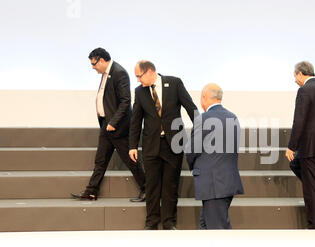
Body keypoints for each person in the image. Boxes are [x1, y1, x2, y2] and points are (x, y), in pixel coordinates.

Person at [129, 60, 197, 230]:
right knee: (152, 186)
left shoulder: (174, 83)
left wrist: (203, 131)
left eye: (139, 76)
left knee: (170, 185)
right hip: (151, 145)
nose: (138, 80)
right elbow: (135, 120)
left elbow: (191, 108)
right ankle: (151, 222)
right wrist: (132, 145)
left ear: (150, 71)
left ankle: (169, 222)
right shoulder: (140, 92)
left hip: (173, 143)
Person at [71, 48, 146, 201]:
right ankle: (91, 191)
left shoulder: (119, 73)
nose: (92, 67)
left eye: (94, 64)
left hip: (117, 127)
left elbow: (125, 101)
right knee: (100, 160)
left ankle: (147, 190)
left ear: (102, 60)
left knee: (130, 160)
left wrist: (113, 122)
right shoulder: (107, 73)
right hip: (107, 126)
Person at [185, 83, 244, 229]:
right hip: (227, 182)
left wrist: (193, 166)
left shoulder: (202, 119)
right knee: (205, 226)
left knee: (217, 231)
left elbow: (192, 150)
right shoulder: (233, 118)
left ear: (204, 97)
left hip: (212, 184)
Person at [285, 61, 315, 229]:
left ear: (300, 73)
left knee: (310, 189)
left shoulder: (304, 90)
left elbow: (299, 120)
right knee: (295, 164)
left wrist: (291, 146)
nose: (295, 80)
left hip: (308, 144)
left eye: (295, 76)